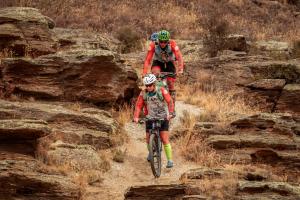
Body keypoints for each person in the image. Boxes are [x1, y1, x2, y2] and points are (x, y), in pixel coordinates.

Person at [133, 74, 175, 168]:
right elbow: (138, 105)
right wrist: (136, 117)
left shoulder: (162, 90)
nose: (148, 87)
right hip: (150, 117)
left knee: (164, 139)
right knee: (148, 139)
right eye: (146, 85)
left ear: (154, 83)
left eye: (150, 85)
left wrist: (171, 113)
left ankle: (170, 160)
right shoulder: (143, 93)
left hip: (163, 117)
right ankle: (151, 152)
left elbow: (170, 101)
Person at [142, 30, 184, 105]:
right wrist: (144, 72)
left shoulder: (172, 43)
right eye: (161, 41)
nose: (163, 43)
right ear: (158, 40)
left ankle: (172, 103)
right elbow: (148, 59)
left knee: (170, 82)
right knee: (156, 74)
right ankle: (154, 97)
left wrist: (180, 69)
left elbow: (179, 56)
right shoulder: (153, 45)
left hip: (169, 62)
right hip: (158, 62)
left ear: (168, 41)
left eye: (165, 42)